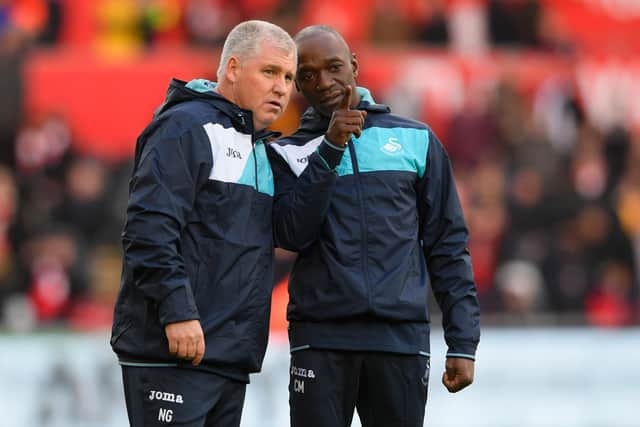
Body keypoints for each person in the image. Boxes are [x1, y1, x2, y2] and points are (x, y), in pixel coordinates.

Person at [267, 25, 480, 427]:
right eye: (308, 75)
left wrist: (463, 341)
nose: (324, 82)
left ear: (354, 66)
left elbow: (447, 245)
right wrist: (329, 148)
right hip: (320, 339)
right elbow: (291, 234)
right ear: (297, 85)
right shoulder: (286, 152)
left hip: (399, 339)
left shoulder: (416, 139)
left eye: (333, 68)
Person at [110, 20, 296, 427]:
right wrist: (177, 312)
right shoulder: (186, 127)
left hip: (226, 357)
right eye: (269, 72)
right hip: (173, 350)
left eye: (288, 77)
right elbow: (148, 230)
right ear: (232, 68)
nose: (282, 87)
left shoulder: (261, 149)